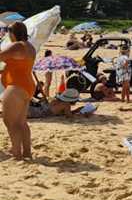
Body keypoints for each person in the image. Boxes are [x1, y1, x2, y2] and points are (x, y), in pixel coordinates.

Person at [0, 22, 37, 160]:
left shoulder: (17, 45)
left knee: (10, 122)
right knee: (21, 122)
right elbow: (19, 66)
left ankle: (17, 154)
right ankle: (27, 152)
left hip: (16, 86)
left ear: (12, 33)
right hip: (27, 85)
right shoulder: (30, 47)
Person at [28, 88, 95, 119]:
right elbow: (69, 117)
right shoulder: (66, 105)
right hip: (34, 113)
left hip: (33, 109)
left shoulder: (55, 99)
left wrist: (76, 110)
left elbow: (63, 113)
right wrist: (84, 115)